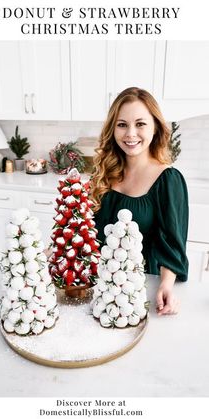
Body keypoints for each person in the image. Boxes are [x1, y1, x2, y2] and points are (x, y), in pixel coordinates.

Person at [90, 87, 188, 316]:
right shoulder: (104, 174)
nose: (130, 134)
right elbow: (86, 230)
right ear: (113, 129)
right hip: (97, 285)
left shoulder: (168, 180)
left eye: (140, 124)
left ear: (155, 127)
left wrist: (165, 285)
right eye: (122, 124)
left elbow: (172, 244)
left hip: (138, 290)